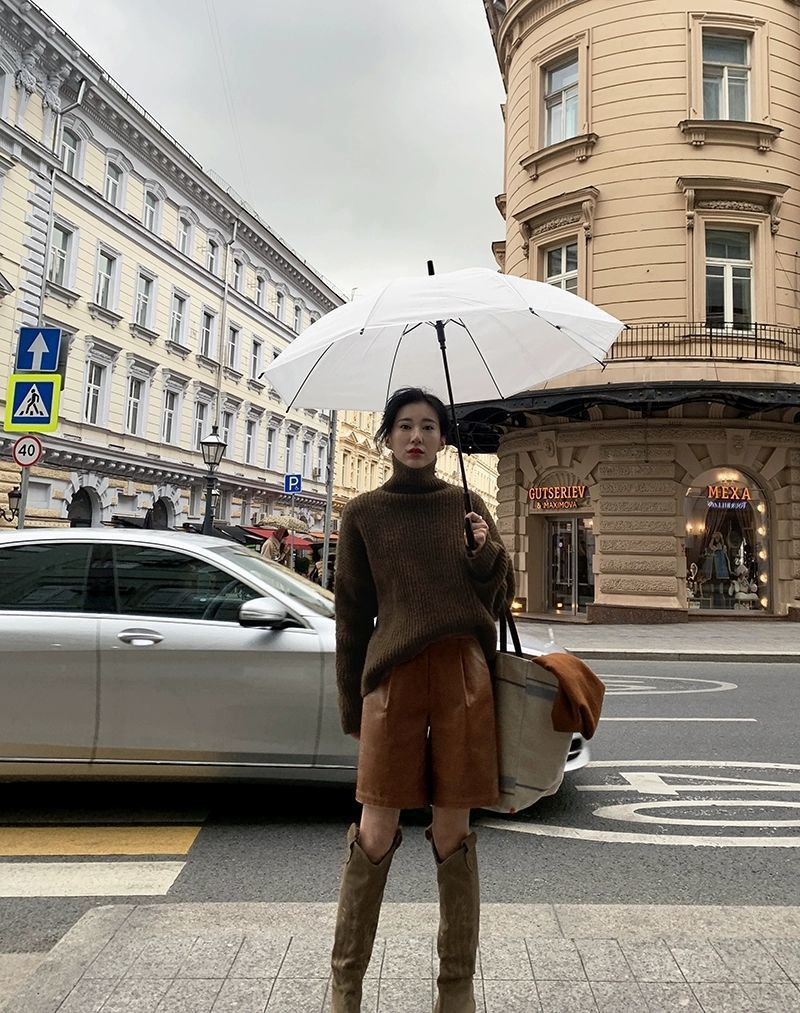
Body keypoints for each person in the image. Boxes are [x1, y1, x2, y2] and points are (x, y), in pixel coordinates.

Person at [329, 387, 514, 1013]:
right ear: (387, 437)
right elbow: (352, 614)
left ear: (442, 439)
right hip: (394, 680)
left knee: (454, 830)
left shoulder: (468, 504)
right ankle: (346, 989)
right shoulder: (364, 513)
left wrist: (483, 552)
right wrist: (352, 704)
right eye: (405, 425)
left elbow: (500, 596)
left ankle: (455, 993)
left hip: (464, 675)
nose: (416, 436)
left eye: (428, 426)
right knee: (375, 829)